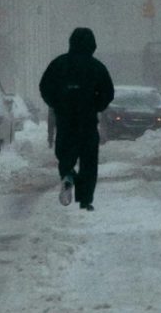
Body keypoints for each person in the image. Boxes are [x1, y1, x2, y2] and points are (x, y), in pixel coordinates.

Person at [39, 27, 114, 211]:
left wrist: (56, 104)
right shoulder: (96, 67)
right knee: (89, 161)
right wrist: (96, 105)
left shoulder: (59, 64)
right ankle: (85, 199)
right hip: (87, 122)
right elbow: (108, 92)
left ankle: (67, 174)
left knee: (65, 153)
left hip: (65, 121)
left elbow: (45, 87)